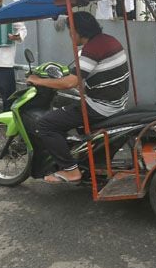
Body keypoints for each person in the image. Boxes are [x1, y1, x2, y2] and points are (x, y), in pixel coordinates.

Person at [27, 12, 130, 183]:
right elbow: (82, 73)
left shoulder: (92, 50)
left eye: (71, 30)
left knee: (46, 124)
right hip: (117, 102)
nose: (69, 34)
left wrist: (39, 81)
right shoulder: (108, 40)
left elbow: (69, 83)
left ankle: (70, 170)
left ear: (80, 31)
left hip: (101, 107)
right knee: (68, 108)